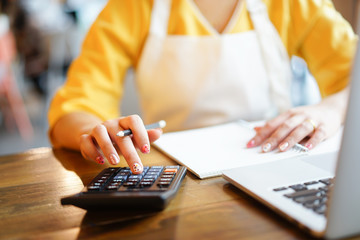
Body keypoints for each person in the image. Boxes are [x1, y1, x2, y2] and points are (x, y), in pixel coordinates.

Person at [48, 0, 358, 174]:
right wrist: (96, 133)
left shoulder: (294, 4)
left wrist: (332, 107)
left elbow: (352, 73)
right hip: (176, 179)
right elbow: (75, 107)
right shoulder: (131, 8)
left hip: (273, 170)